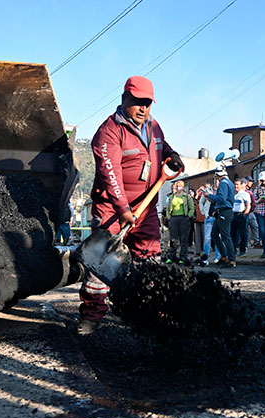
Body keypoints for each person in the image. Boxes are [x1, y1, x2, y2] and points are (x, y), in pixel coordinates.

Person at [78, 76, 184, 335]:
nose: (143, 108)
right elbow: (109, 173)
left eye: (147, 103)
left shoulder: (154, 126)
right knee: (100, 265)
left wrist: (172, 155)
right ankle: (91, 317)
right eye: (137, 102)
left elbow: (162, 147)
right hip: (112, 210)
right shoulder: (108, 132)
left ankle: (155, 312)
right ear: (124, 99)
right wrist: (123, 208)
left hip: (146, 208)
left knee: (150, 260)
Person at [204, 166, 235, 267]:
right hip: (224, 211)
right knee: (214, 234)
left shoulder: (223, 183)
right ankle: (225, 255)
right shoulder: (229, 182)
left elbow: (222, 198)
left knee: (225, 236)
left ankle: (231, 259)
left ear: (217, 175)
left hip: (224, 212)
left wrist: (209, 196)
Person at [165, 180, 195, 264]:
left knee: (184, 239)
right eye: (176, 186)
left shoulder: (186, 196)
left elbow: (192, 207)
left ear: (182, 187)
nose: (177, 188)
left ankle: (183, 257)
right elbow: (168, 208)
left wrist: (188, 216)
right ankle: (172, 257)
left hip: (183, 218)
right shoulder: (171, 197)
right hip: (174, 218)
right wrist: (168, 217)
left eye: (179, 186)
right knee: (173, 239)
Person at [231, 179, 252, 257]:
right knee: (233, 233)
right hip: (233, 214)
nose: (236, 186)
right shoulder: (233, 194)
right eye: (235, 184)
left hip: (241, 214)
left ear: (241, 185)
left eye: (237, 184)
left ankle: (242, 250)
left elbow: (248, 205)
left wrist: (245, 213)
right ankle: (233, 249)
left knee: (242, 233)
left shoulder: (244, 194)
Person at [244, 176, 260, 247]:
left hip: (251, 212)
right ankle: (245, 243)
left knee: (255, 226)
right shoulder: (243, 190)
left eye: (252, 181)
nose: (251, 183)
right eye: (250, 181)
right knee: (245, 228)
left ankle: (256, 242)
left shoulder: (250, 190)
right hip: (244, 211)